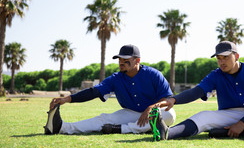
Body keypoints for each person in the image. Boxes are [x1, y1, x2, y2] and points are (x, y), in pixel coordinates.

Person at [148, 41, 244, 141]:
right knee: (204, 116)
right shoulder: (216, 74)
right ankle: (166, 133)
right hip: (228, 115)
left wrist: (242, 124)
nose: (222, 61)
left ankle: (225, 133)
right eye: (219, 58)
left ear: (236, 56)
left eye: (226, 57)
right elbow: (198, 91)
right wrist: (174, 99)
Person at [44, 44, 176, 135]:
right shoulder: (115, 78)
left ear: (137, 60)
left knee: (170, 115)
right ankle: (62, 127)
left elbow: (168, 99)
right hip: (130, 112)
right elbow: (94, 92)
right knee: (103, 119)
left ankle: (120, 130)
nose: (121, 62)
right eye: (119, 59)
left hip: (155, 113)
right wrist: (66, 99)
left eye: (125, 59)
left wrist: (152, 107)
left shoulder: (154, 74)